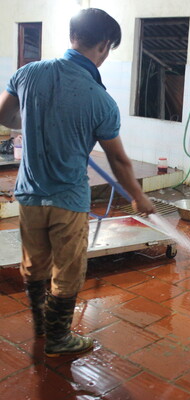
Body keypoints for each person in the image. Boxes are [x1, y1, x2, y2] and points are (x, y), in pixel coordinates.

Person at [0, 8, 156, 358]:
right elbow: (119, 160)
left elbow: (4, 116)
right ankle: (58, 338)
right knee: (67, 271)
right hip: (68, 200)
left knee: (34, 265)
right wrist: (138, 197)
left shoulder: (28, 73)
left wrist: (35, 117)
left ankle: (41, 327)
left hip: (29, 196)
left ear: (73, 36)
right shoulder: (100, 99)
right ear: (103, 45)